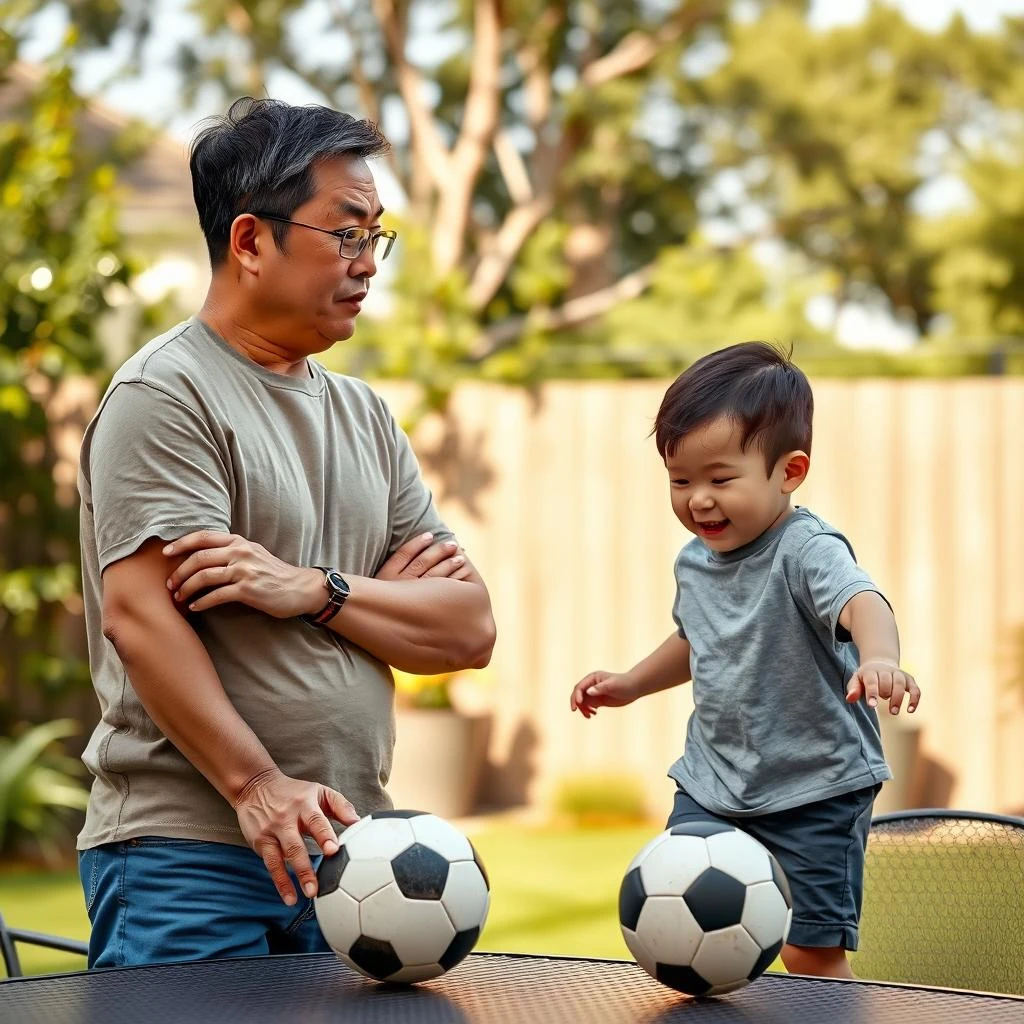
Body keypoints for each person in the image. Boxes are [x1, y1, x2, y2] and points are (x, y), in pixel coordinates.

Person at [76, 97, 496, 969]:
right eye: (347, 233)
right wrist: (256, 786)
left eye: (376, 237)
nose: (368, 264)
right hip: (190, 851)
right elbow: (142, 618)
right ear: (249, 241)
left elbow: (465, 628)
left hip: (351, 856)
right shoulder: (167, 396)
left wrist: (318, 588)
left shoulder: (365, 415)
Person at [569, 342, 920, 979]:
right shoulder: (695, 562)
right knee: (682, 936)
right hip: (714, 785)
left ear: (789, 472)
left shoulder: (805, 549)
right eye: (680, 481)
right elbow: (693, 642)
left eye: (720, 479)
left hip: (816, 789)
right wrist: (630, 684)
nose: (698, 500)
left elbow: (862, 599)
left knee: (808, 952)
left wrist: (880, 658)